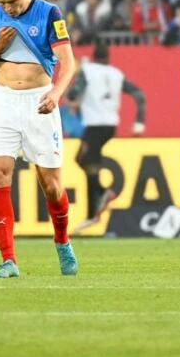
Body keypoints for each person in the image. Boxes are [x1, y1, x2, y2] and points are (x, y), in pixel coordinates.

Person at [0, 0, 78, 278]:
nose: (9, 9)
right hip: (3, 102)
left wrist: (56, 92)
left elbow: (69, 63)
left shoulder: (48, 13)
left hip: (40, 100)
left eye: (13, 2)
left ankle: (62, 241)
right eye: (3, 3)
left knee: (52, 186)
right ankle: (8, 260)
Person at [70, 41, 145, 233]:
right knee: (86, 162)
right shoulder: (116, 73)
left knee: (86, 162)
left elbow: (73, 93)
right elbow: (138, 94)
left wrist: (74, 84)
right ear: (108, 58)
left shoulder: (87, 70)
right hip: (110, 125)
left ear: (94, 55)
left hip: (95, 124)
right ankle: (92, 213)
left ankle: (102, 195)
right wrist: (139, 122)